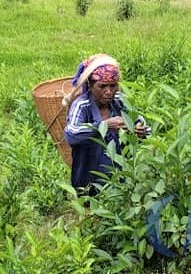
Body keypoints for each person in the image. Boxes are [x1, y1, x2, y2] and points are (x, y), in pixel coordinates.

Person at [63, 54, 150, 196]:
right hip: (89, 176)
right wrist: (103, 126)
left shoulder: (119, 101)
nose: (109, 91)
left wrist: (141, 130)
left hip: (120, 175)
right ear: (90, 85)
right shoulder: (82, 105)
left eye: (113, 86)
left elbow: (142, 123)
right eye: (102, 86)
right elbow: (71, 133)